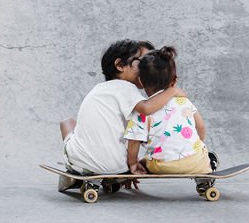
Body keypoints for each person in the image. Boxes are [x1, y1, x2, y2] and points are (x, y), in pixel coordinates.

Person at [60, 39, 183, 175]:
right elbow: (147, 108)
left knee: (67, 122)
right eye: (142, 63)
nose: (147, 68)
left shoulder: (102, 89)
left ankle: (77, 159)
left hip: (83, 161)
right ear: (120, 65)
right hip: (117, 166)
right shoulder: (126, 88)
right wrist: (172, 91)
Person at [124, 46, 212, 175]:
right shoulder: (183, 101)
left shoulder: (141, 110)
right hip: (195, 162)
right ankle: (210, 164)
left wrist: (132, 164)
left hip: (161, 166)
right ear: (174, 80)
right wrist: (193, 148)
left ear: (141, 81)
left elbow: (133, 141)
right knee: (207, 156)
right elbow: (201, 127)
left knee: (144, 162)